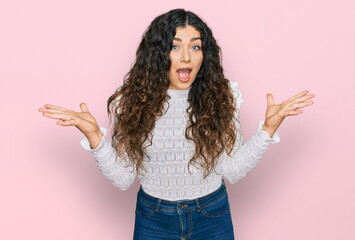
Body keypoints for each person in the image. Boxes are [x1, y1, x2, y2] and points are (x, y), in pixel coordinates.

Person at [38, 8, 315, 240]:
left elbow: (231, 170)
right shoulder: (132, 102)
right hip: (153, 219)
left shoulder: (223, 97)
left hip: (211, 215)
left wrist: (268, 129)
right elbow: (123, 179)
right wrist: (94, 137)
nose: (186, 57)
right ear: (158, 54)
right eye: (174, 46)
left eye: (195, 46)